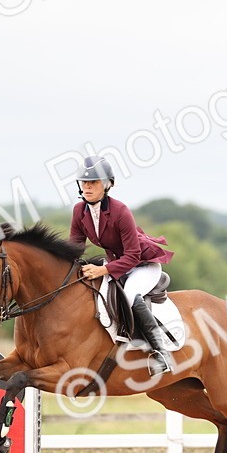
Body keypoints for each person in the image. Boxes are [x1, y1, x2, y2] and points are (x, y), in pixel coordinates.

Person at [68, 156, 175, 374]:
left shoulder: (120, 211)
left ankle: (162, 353)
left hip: (143, 264)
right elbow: (74, 248)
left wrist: (104, 269)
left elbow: (133, 254)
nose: (87, 187)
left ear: (107, 184)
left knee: (129, 294)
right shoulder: (79, 211)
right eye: (84, 183)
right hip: (117, 263)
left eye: (94, 183)